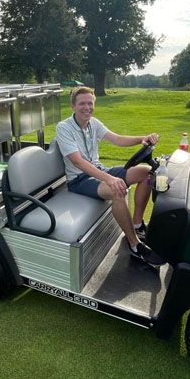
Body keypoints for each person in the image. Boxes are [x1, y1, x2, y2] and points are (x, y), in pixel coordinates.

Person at [55, 86, 166, 270]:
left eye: (90, 103)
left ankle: (137, 223)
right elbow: (78, 162)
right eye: (82, 103)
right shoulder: (64, 128)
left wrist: (142, 138)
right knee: (118, 190)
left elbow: (117, 139)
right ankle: (134, 245)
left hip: (99, 170)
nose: (87, 107)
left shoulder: (93, 123)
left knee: (147, 174)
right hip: (80, 180)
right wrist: (109, 179)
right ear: (73, 106)